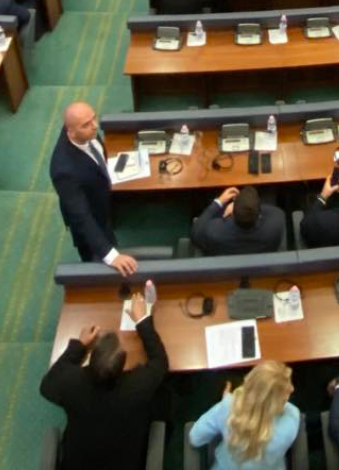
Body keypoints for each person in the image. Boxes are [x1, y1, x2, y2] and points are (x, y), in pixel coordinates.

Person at [38, 292, 167, 470]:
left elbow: (47, 387)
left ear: (91, 359)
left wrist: (78, 346)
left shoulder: (71, 383)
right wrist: (142, 321)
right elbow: (160, 362)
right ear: (122, 367)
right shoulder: (136, 387)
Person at [49, 101, 137, 274]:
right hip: (87, 212)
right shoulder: (63, 171)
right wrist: (111, 256)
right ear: (71, 132)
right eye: (86, 125)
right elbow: (82, 217)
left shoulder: (85, 133)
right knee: (93, 253)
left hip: (98, 193)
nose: (95, 126)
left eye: (93, 118)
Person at [188, 361, 301, 470]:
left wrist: (230, 402)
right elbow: (268, 405)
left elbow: (195, 438)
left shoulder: (227, 407)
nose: (292, 388)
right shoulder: (292, 417)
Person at [194, 186, 287, 256]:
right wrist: (250, 206)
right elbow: (274, 211)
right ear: (259, 215)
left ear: (233, 213)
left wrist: (219, 202)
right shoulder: (276, 224)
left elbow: (195, 233)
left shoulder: (213, 231)